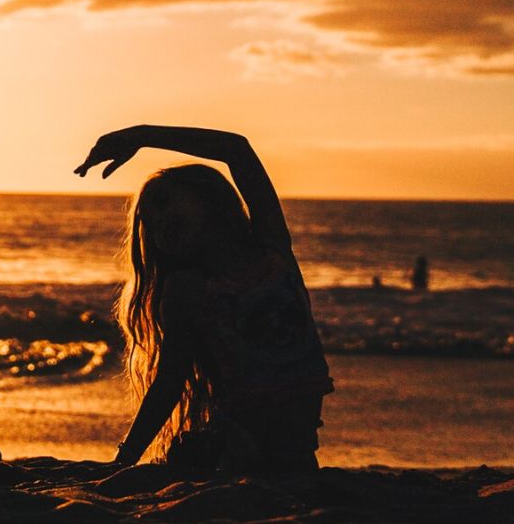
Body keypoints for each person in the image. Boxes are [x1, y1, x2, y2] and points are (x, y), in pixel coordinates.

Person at [75, 125, 333, 473]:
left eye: (165, 204)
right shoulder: (186, 289)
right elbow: (169, 380)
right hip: (243, 438)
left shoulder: (272, 250)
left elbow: (237, 149)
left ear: (209, 199)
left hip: (296, 439)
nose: (160, 221)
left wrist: (141, 136)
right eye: (149, 222)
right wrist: (125, 459)